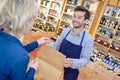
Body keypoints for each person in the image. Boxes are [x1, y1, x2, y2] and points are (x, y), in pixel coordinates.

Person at [0, 0, 50, 80]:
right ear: (26, 21)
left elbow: (14, 51)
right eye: (34, 19)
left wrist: (37, 43)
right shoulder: (21, 57)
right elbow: (17, 55)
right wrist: (32, 70)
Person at [50, 6, 94, 80]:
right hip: (56, 68)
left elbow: (86, 59)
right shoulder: (65, 32)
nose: (75, 19)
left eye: (79, 17)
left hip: (70, 75)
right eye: (74, 16)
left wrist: (73, 62)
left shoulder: (88, 39)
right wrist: (45, 46)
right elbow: (56, 46)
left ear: (85, 20)